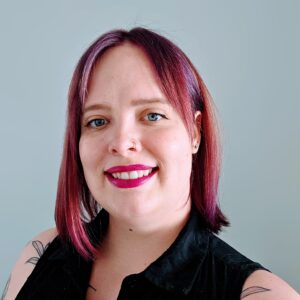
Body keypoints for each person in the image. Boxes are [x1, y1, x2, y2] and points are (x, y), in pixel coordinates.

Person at [3, 27, 299, 300]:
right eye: (97, 121)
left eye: (152, 115)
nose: (122, 142)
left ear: (195, 132)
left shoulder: (262, 295)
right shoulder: (37, 257)